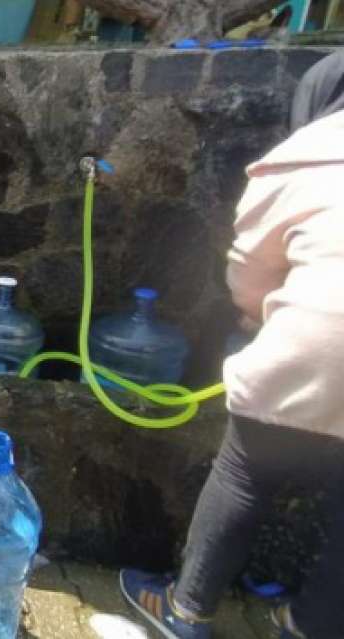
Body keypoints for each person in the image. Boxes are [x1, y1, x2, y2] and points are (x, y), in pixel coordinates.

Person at [119, 54, 344, 639]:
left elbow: (248, 268)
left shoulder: (309, 159)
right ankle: (310, 624)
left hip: (320, 345)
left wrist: (256, 312)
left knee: (246, 470)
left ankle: (186, 611)